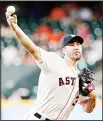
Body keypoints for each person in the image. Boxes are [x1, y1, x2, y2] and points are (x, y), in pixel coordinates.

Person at [5, 12, 96, 120]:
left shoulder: (80, 77)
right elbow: (32, 48)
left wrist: (92, 95)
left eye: (78, 44)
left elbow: (87, 109)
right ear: (63, 50)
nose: (76, 47)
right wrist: (15, 28)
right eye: (71, 45)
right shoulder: (54, 60)